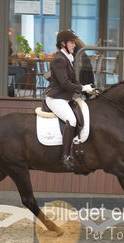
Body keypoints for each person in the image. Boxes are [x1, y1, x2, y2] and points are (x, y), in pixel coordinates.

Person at [45, 29, 94, 170]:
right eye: (72, 42)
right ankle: (65, 156)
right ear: (63, 44)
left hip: (64, 98)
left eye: (73, 42)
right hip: (56, 98)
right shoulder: (59, 59)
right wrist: (82, 89)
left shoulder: (68, 58)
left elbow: (73, 81)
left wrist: (86, 87)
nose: (74, 45)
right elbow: (65, 83)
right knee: (71, 120)